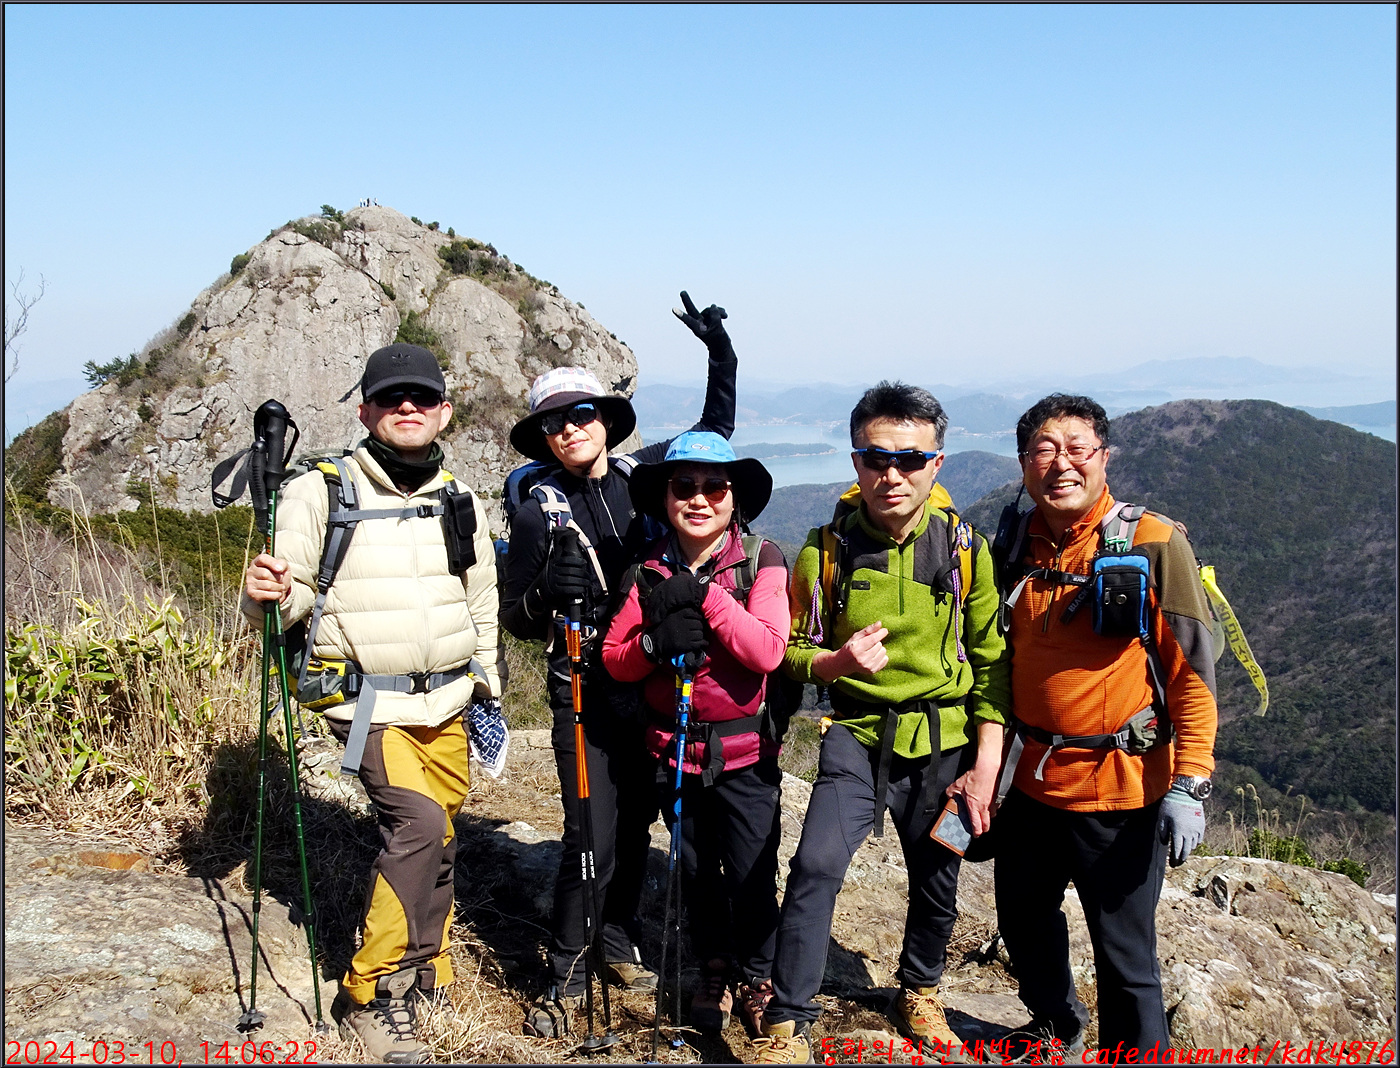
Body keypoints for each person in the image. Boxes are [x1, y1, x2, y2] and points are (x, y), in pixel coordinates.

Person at [241, 342, 502, 1065]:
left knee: (441, 837)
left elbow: (480, 595)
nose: (407, 407)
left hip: (449, 699)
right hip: (368, 706)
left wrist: (487, 683)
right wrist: (263, 594)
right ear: (365, 411)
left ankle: (427, 963)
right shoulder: (320, 492)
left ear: (445, 411)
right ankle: (370, 992)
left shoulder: (459, 496)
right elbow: (286, 595)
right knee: (417, 826)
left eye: (422, 397)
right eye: (391, 398)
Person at [500, 293, 739, 1038]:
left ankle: (615, 933)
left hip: (651, 677)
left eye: (582, 414)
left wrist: (721, 357)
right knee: (591, 833)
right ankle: (567, 970)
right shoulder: (537, 509)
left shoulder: (643, 476)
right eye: (554, 423)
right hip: (583, 685)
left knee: (636, 822)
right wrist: (547, 589)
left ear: (606, 419)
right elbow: (516, 618)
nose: (570, 429)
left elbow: (711, 440)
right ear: (543, 436)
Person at [752, 381, 1011, 1064]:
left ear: (936, 463)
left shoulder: (964, 549)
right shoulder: (826, 551)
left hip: (946, 743)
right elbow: (789, 652)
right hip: (857, 736)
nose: (891, 474)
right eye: (875, 458)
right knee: (815, 866)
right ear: (856, 461)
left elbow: (992, 663)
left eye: (910, 459)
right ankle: (788, 1018)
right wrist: (834, 663)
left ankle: (919, 991)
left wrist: (986, 767)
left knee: (939, 872)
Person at [993, 393, 1218, 1061]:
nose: (1061, 464)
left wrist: (1190, 782)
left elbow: (1192, 672)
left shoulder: (1154, 541)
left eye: (1077, 449)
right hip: (1032, 783)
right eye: (1044, 450)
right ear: (1024, 463)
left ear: (1104, 457)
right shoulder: (1016, 538)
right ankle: (1055, 1025)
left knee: (1125, 955)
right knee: (1023, 919)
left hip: (1121, 790)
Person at [601, 432, 788, 1036]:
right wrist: (654, 646)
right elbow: (615, 658)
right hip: (674, 752)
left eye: (715, 487)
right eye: (684, 486)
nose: (699, 499)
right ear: (665, 497)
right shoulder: (646, 570)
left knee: (753, 870)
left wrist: (706, 598)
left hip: (744, 753)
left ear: (735, 499)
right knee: (697, 869)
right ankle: (715, 968)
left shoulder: (761, 560)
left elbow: (767, 650)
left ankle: (759, 978)